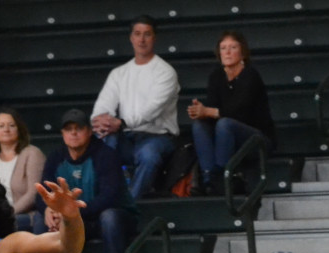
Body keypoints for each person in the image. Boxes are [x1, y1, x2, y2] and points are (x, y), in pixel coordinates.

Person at [90, 15, 179, 200]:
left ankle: (130, 204)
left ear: (154, 38)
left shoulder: (166, 72)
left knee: (148, 155)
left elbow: (151, 110)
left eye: (147, 34)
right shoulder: (119, 73)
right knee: (105, 138)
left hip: (158, 137)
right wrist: (101, 120)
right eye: (137, 34)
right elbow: (103, 103)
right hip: (127, 136)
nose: (142, 39)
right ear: (131, 38)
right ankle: (103, 196)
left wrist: (120, 122)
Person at [41, 108, 138, 253]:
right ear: (62, 134)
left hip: (109, 218)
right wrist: (48, 209)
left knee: (110, 217)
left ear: (89, 131)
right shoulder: (55, 157)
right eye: (69, 129)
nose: (74, 133)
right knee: (41, 220)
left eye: (79, 128)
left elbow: (110, 197)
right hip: (74, 219)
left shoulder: (106, 155)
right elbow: (42, 191)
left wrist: (71, 212)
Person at [186, 31, 275, 196]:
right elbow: (213, 109)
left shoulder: (250, 75)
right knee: (200, 125)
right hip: (225, 136)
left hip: (256, 138)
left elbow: (241, 113)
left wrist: (209, 111)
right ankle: (208, 179)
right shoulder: (216, 76)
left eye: (232, 47)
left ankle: (223, 176)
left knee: (225, 124)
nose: (227, 52)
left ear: (242, 52)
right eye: (223, 48)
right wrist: (200, 112)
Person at [0, 108, 46, 231]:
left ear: (19, 129)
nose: (6, 130)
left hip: (24, 216)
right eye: (1, 126)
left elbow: (33, 193)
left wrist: (7, 214)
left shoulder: (32, 153)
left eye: (11, 125)